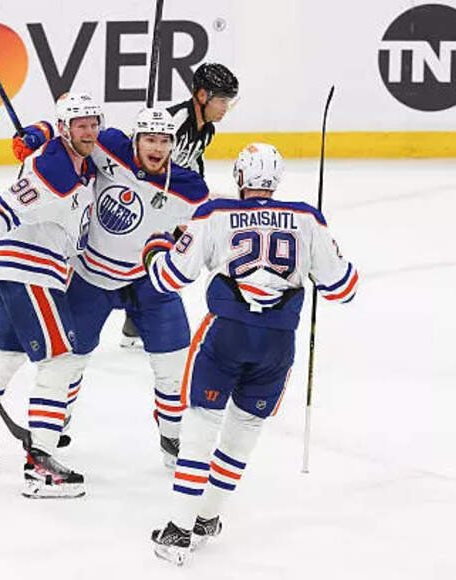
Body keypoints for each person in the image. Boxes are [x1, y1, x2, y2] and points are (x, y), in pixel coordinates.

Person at [143, 143, 358, 565]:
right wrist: (326, 257)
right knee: (245, 430)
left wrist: (155, 250)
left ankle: (178, 530)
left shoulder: (215, 213)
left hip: (226, 334)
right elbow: (344, 289)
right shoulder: (306, 217)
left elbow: (170, 279)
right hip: (278, 343)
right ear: (276, 180)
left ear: (240, 177)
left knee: (200, 425)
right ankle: (208, 517)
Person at [13, 108, 210, 467]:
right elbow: (70, 132)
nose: (157, 147)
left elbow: (205, 232)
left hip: (148, 282)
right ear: (135, 140)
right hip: (91, 277)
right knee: (70, 359)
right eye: (150, 139)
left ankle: (173, 436)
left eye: (165, 141)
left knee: (174, 364)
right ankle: (58, 419)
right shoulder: (109, 145)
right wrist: (34, 134)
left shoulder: (189, 187)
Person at [0, 93, 101, 500]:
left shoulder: (80, 160)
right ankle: (41, 462)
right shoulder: (54, 168)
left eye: (93, 122)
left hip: (28, 269)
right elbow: (8, 204)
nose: (89, 131)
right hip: (31, 269)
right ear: (65, 129)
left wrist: (41, 130)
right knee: (60, 360)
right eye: (80, 124)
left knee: (6, 356)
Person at [119, 62, 240, 349]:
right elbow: (131, 152)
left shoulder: (206, 130)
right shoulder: (174, 122)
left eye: (227, 100)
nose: (225, 107)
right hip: (141, 198)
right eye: (221, 99)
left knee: (169, 255)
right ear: (201, 95)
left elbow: (193, 168)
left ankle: (136, 321)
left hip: (165, 201)